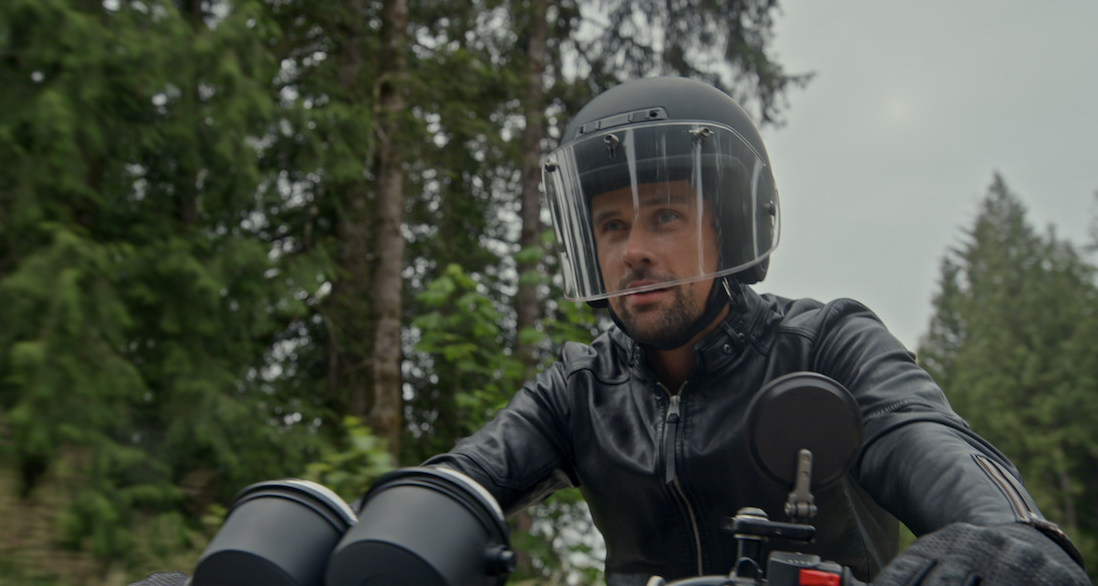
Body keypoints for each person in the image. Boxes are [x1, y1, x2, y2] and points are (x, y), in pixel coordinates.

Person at [423, 76, 1089, 585]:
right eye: (612, 226)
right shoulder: (576, 390)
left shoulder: (828, 343)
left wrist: (1007, 540)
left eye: (665, 216)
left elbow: (931, 445)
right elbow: (459, 484)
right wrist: (376, 538)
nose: (634, 251)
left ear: (727, 229)